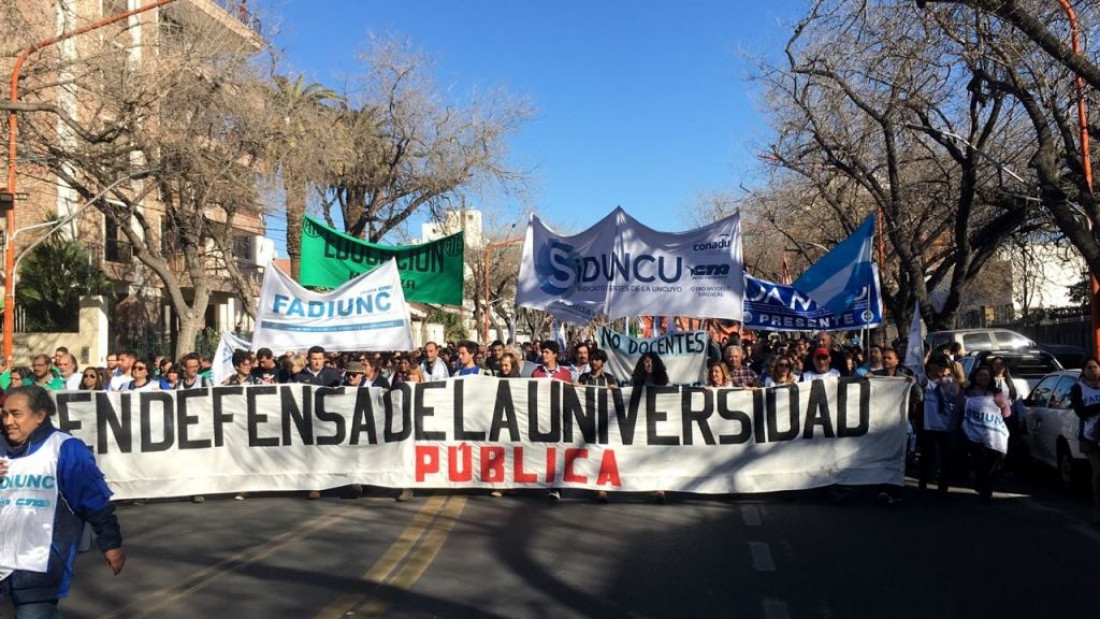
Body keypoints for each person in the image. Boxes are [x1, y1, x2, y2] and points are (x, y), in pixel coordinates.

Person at [0, 385, 125, 616]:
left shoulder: (65, 449)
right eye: (4, 414)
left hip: (38, 568)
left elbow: (94, 501)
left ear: (39, 415)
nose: (8, 421)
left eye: (16, 414)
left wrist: (111, 543)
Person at [956, 364, 1011, 503]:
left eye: (986, 376)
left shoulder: (996, 393)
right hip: (974, 434)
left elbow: (1006, 413)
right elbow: (958, 408)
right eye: (980, 375)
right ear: (975, 377)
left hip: (992, 434)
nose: (983, 378)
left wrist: (1002, 405)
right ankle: (981, 484)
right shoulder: (968, 392)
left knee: (992, 462)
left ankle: (987, 489)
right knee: (979, 462)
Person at [917, 355, 959, 493]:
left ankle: (943, 485)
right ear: (930, 366)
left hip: (945, 425)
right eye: (939, 365)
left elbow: (956, 400)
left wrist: (947, 386)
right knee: (927, 455)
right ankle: (923, 482)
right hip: (927, 424)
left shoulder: (950, 382)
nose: (942, 369)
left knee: (946, 456)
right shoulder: (922, 381)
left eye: (945, 366)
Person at [1070, 356, 1100, 525]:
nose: (1093, 370)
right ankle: (1097, 510)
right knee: (1098, 473)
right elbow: (1081, 411)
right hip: (1090, 437)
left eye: (1095, 367)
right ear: (1084, 371)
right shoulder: (1078, 388)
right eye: (1089, 368)